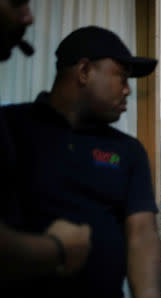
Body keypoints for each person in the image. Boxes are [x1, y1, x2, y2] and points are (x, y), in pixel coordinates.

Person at [0, 26, 161, 298]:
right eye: (121, 77)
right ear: (85, 71)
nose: (127, 90)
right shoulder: (10, 127)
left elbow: (142, 237)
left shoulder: (128, 150)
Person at [0, 0, 91, 280]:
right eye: (17, 3)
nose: (28, 18)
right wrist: (55, 248)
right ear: (84, 71)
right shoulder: (16, 124)